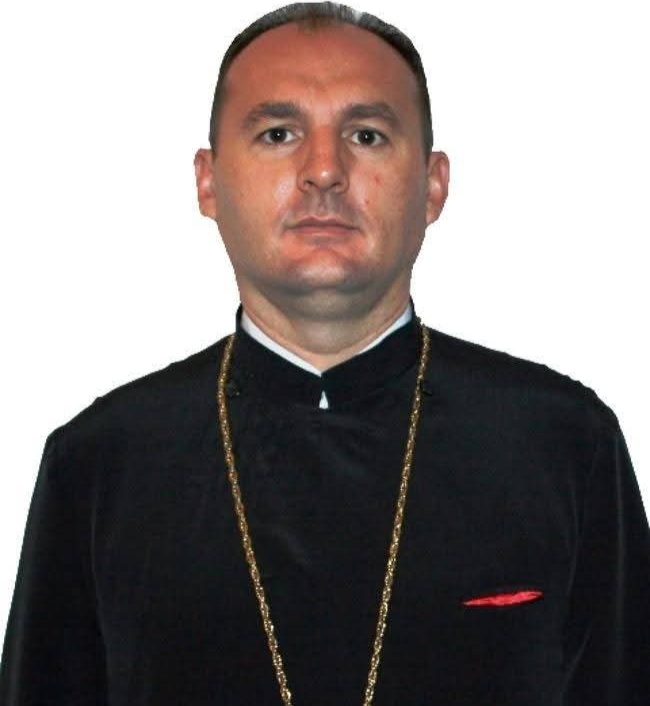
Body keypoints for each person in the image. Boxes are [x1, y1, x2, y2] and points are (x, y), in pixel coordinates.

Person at [1, 2, 648, 704]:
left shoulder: (563, 444)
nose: (324, 171)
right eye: (278, 134)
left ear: (433, 186)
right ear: (208, 182)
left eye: (366, 135)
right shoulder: (100, 464)